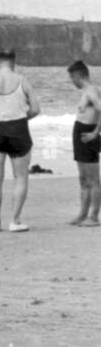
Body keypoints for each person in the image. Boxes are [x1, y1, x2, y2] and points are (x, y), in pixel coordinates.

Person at [0, 49, 40, 232]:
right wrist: (20, 118)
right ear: (14, 62)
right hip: (18, 129)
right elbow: (35, 109)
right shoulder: (22, 80)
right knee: (20, 178)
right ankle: (15, 221)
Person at [66, 60, 101, 226]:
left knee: (93, 179)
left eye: (72, 78)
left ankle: (93, 217)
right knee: (83, 179)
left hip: (88, 135)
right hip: (81, 135)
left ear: (78, 76)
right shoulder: (87, 91)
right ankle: (82, 214)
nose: (72, 82)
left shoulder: (91, 91)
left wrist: (95, 133)